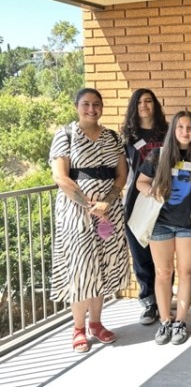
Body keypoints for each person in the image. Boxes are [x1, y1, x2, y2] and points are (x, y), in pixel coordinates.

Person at [49, 88, 130, 353]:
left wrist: (107, 201)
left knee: (103, 268)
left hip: (109, 211)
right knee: (82, 268)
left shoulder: (112, 137)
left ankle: (96, 323)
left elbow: (121, 174)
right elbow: (61, 177)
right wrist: (88, 205)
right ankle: (78, 329)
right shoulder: (65, 135)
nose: (92, 109)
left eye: (97, 104)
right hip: (76, 213)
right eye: (86, 104)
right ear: (77, 106)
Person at [136, 110, 191, 345]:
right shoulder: (158, 155)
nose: (185, 132)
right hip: (160, 223)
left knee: (186, 273)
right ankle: (165, 320)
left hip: (188, 225)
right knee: (163, 273)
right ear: (173, 130)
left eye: (190, 128)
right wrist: (151, 191)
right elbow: (140, 181)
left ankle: (181, 321)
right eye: (181, 127)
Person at [121, 88, 168, 325]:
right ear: (134, 106)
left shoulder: (166, 131)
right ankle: (148, 301)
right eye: (139, 102)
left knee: (162, 249)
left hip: (164, 196)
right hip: (137, 196)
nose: (144, 105)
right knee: (140, 249)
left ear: (155, 105)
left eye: (148, 101)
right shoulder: (128, 135)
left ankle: (163, 300)